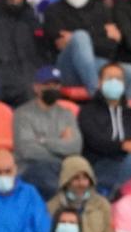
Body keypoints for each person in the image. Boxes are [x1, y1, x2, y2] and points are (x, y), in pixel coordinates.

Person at [43, 0, 131, 100]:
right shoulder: (53, 11)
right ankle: (97, 95)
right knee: (80, 37)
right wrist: (97, 35)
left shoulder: (100, 9)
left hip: (99, 64)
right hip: (67, 68)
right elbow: (60, 44)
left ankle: (129, 112)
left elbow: (110, 46)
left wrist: (80, 39)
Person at [78, 63, 131, 194]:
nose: (114, 82)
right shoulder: (88, 111)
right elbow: (95, 141)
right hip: (100, 164)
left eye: (119, 79)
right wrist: (123, 145)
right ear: (99, 83)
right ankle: (118, 195)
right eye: (109, 78)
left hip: (130, 163)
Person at [13, 67, 81, 196]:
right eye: (47, 85)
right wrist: (61, 146)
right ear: (36, 87)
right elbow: (27, 150)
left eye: (56, 85)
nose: (52, 88)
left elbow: (75, 148)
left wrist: (43, 141)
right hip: (30, 168)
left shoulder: (67, 114)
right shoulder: (22, 114)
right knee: (57, 187)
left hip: (61, 168)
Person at [47, 156, 124, 232]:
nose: (82, 183)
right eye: (76, 178)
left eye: (85, 178)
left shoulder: (101, 204)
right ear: (66, 181)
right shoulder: (53, 207)